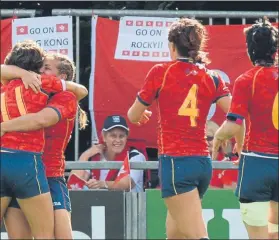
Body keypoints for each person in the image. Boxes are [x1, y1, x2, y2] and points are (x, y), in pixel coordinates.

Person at [127, 18, 233, 239]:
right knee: (176, 235)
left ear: (172, 46)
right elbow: (235, 112)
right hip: (202, 163)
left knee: (197, 236)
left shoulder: (161, 71)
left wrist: (142, 114)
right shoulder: (211, 77)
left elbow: (132, 115)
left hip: (176, 163)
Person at [1, 52, 88, 239]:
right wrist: (23, 73)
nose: (39, 71)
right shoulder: (32, 90)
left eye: (46, 68)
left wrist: (3, 127)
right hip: (26, 172)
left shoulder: (66, 97)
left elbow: (41, 120)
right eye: (39, 67)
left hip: (50, 176)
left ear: (62, 77)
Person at [212, 19, 278, 240]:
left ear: (250, 50)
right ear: (275, 50)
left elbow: (233, 124)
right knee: (275, 233)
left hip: (257, 163)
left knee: (258, 236)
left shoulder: (246, 80)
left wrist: (218, 137)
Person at [70, 115, 146, 192]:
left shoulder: (135, 156)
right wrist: (85, 155)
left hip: (128, 203)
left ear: (127, 137)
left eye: (121, 136)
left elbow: (127, 184)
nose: (118, 140)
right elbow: (73, 184)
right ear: (104, 136)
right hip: (98, 203)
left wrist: (103, 184)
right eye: (113, 136)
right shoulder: (94, 157)